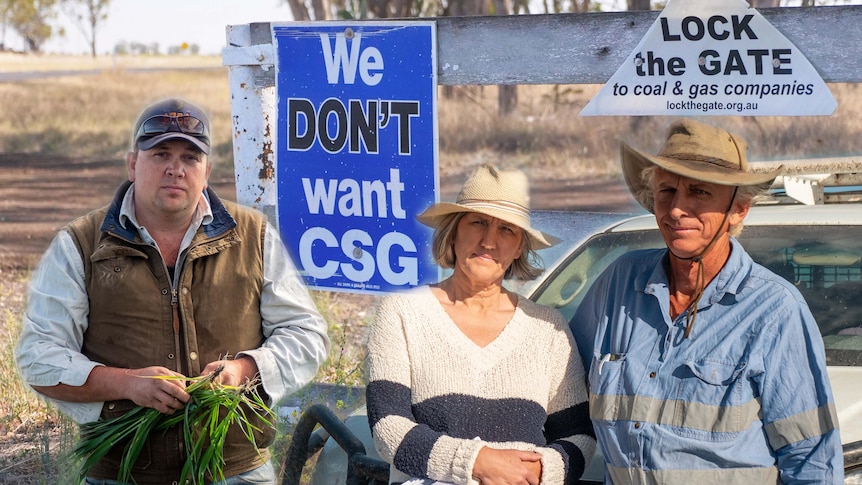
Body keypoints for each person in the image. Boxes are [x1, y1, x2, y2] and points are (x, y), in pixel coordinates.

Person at [15, 97, 330, 484]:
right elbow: (38, 358)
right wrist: (127, 384)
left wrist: (244, 370)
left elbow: (306, 335)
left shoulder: (253, 236)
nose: (175, 169)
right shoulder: (80, 244)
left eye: (190, 157)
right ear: (133, 164)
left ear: (207, 171)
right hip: (124, 472)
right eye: (160, 153)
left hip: (236, 469)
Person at [570, 118, 843, 484]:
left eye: (699, 192)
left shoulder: (775, 310)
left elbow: (812, 461)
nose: (677, 209)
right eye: (666, 191)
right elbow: (561, 383)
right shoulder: (618, 284)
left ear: (738, 210)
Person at [366, 164, 596, 485]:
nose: (489, 240)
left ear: (519, 248)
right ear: (454, 231)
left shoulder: (548, 329)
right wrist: (479, 462)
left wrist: (535, 471)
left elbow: (578, 436)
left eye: (507, 230)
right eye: (478, 222)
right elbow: (388, 428)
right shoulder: (402, 313)